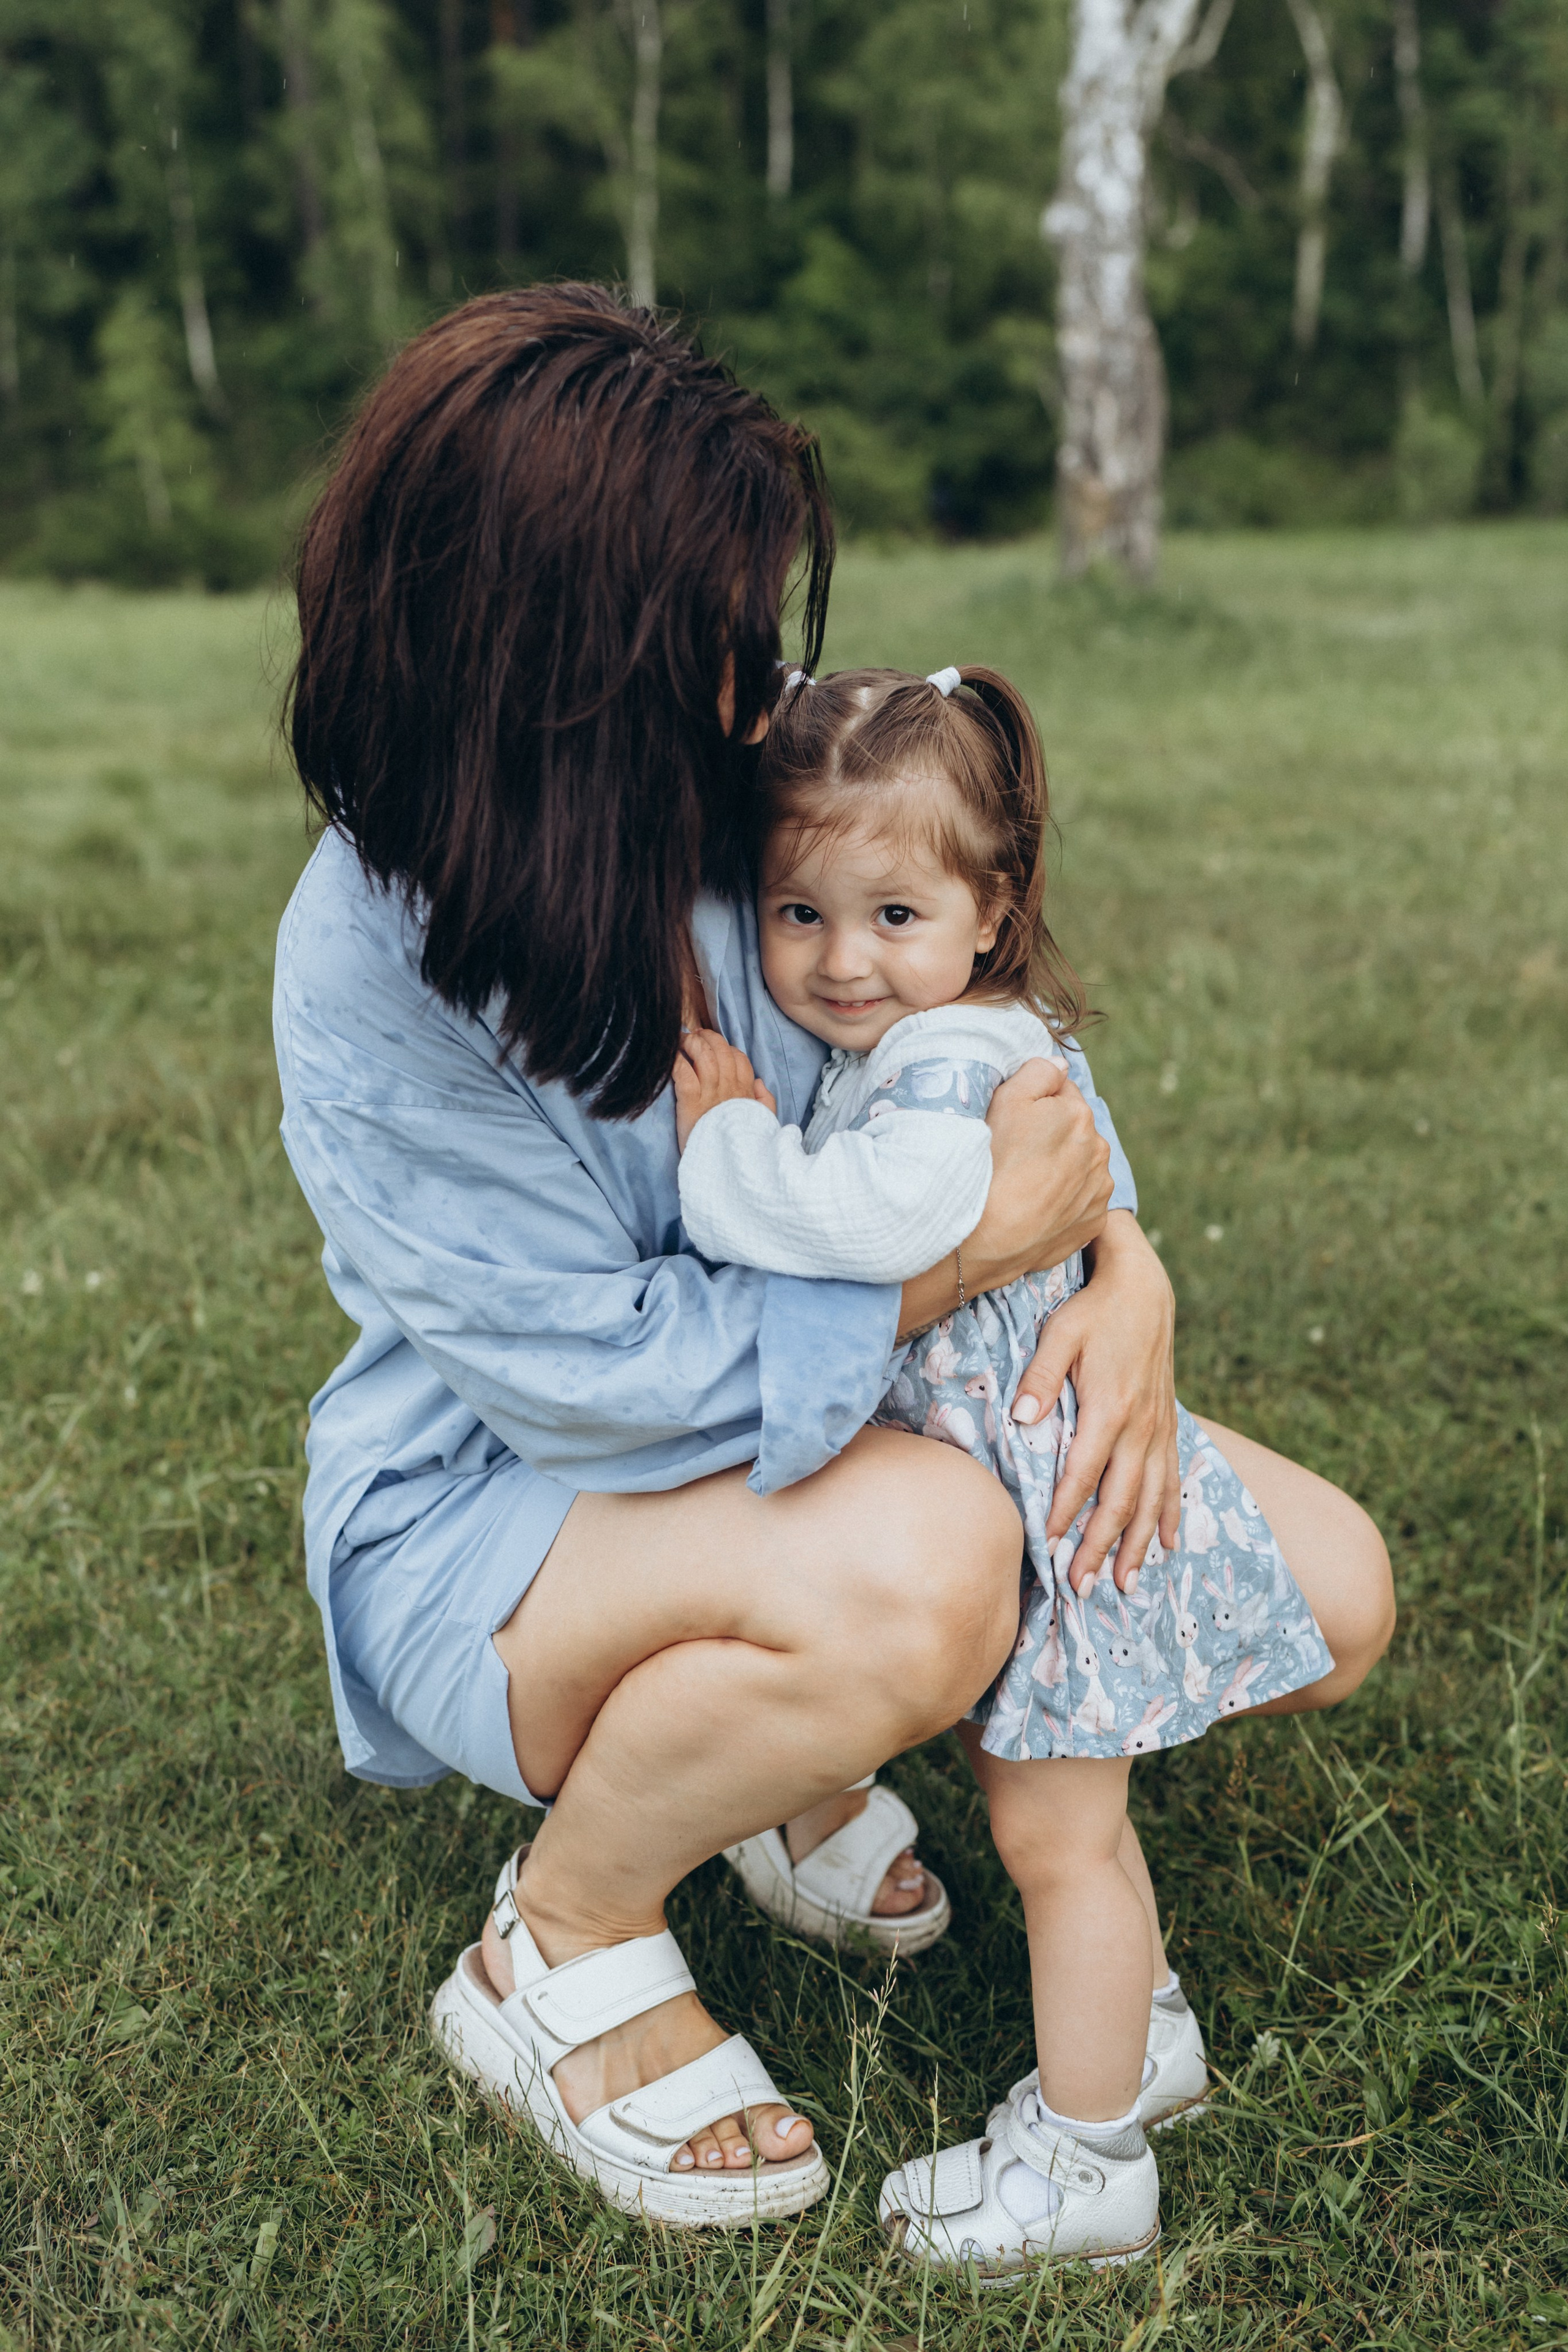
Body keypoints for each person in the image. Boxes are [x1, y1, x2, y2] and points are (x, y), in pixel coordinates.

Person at [273, 284, 1394, 2234]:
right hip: (506, 1501)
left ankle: (795, 1764)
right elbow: (591, 1385)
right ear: (548, 659)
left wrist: (1123, 1262)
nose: (749, 690)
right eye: (705, 643)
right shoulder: (375, 952)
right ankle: (565, 1937)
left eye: (752, 633)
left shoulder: (744, 763)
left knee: (1328, 1590)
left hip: (841, 1407)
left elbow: (978, 1037)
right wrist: (965, 1273)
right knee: (942, 1566)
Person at [673, 659, 1340, 2270]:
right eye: (799, 914)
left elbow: (876, 1227)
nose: (841, 962)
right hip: (1036, 1496)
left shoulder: (946, 1066)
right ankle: (1147, 2033)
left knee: (1057, 1845)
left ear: (996, 906)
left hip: (1046, 1520)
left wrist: (729, 1146)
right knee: (1074, 1831)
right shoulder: (975, 1023)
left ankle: (1085, 2162)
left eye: (892, 915)